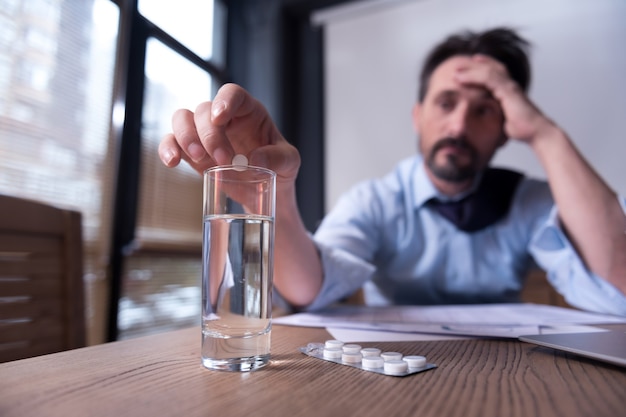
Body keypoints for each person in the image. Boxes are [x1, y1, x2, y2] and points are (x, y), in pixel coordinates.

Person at [159, 27, 626, 316]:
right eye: (446, 103)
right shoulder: (376, 201)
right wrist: (272, 194)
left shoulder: (531, 200)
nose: (460, 124)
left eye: (486, 111)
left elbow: (618, 285)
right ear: (417, 115)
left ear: (507, 129)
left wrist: (542, 132)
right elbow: (309, 290)